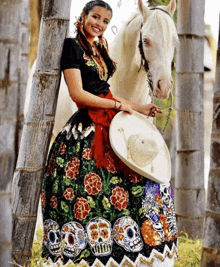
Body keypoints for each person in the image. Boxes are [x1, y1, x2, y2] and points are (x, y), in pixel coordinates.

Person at [41, 1, 178, 266]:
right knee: (88, 190)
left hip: (109, 116)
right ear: (83, 16)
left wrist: (139, 107)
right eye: (95, 17)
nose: (100, 24)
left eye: (105, 20)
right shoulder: (72, 47)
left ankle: (128, 252)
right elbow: (79, 94)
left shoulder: (101, 49)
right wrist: (118, 106)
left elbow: (110, 93)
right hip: (86, 124)